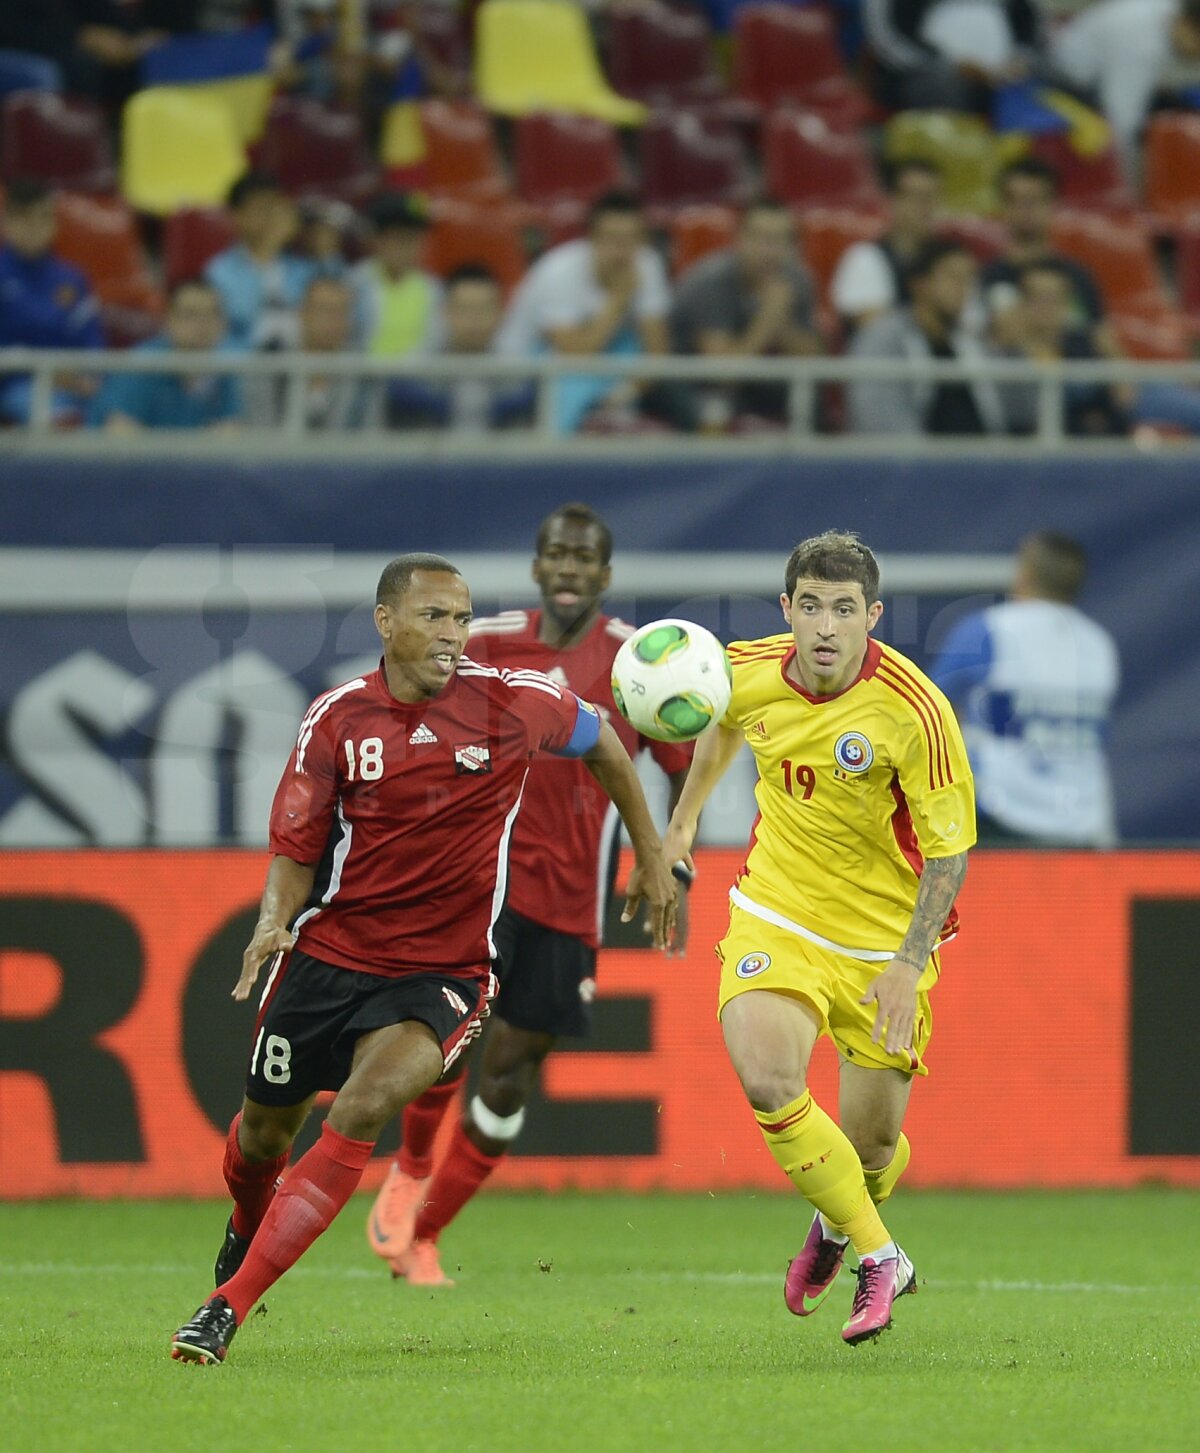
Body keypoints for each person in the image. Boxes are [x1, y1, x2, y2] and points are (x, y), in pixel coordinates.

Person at [169, 553, 676, 1365]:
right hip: (331, 956)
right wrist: (274, 918)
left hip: (446, 972)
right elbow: (298, 844)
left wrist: (649, 852)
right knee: (263, 1135)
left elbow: (605, 739)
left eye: (462, 618)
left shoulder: (514, 701)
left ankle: (225, 1306)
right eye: (435, 617)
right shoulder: (336, 718)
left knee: (363, 1106)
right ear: (386, 621)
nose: (452, 634)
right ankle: (243, 1223)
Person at [366, 505, 693, 1287]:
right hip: (478, 883)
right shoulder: (481, 642)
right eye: (557, 554)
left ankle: (426, 1233)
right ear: (539, 566)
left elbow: (682, 767)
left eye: (586, 558)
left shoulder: (636, 663)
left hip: (572, 903)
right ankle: (411, 1165)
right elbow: (404, 714)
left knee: (509, 1072)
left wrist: (670, 859)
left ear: (605, 576)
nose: (570, 568)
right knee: (444, 1037)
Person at [663, 530, 975, 1346]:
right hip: (780, 910)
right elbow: (723, 719)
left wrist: (909, 965)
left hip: (885, 946)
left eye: (845, 609)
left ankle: (840, 1223)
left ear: (872, 615)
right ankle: (880, 1255)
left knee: (870, 1148)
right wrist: (685, 820)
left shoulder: (916, 710)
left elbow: (949, 851)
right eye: (811, 606)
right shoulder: (747, 667)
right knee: (769, 1076)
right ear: (787, 610)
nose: (826, 626)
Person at [928, 532, 1119, 846]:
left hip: (999, 817)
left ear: (1025, 575)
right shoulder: (1099, 644)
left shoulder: (989, 631)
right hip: (1082, 821)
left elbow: (924, 709)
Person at [496, 190, 694, 434]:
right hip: (528, 367)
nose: (622, 251)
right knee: (572, 381)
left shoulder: (646, 263)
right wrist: (618, 300)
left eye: (631, 239)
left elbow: (657, 352)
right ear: (592, 238)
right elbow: (575, 354)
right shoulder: (558, 271)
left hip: (603, 359)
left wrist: (624, 393)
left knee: (676, 392)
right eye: (612, 238)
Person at [669, 197, 822, 428]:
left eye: (779, 240)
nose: (769, 251)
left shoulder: (796, 279)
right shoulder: (711, 282)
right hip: (691, 381)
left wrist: (782, 325)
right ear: (739, 239)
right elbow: (721, 375)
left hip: (753, 379)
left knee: (812, 402)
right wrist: (768, 318)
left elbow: (816, 363)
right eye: (761, 238)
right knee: (713, 411)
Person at [848, 238, 1011, 437]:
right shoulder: (881, 339)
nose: (963, 289)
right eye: (953, 277)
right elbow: (880, 423)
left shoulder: (973, 344)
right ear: (920, 285)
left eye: (968, 279)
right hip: (917, 465)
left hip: (986, 463)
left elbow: (1010, 416)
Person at [0, 177, 104, 427]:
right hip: (16, 386)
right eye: (25, 218)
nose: (35, 227)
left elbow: (91, 341)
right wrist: (45, 374)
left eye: (43, 218)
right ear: (7, 223)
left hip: (76, 384)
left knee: (117, 411)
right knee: (53, 417)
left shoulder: (73, 279)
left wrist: (88, 377)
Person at [1050, 0, 1200, 171]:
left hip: (1099, 75)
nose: (1197, 56)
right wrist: (1128, 185)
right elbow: (1121, 119)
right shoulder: (1140, 44)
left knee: (1180, 105)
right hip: (1065, 87)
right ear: (1185, 24)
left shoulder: (1168, 9)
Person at [387, 263, 533, 430]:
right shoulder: (414, 371)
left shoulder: (520, 375)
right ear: (446, 312)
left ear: (500, 314)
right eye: (465, 309)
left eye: (484, 309)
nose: (475, 319)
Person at [90, 278, 241, 432]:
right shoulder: (142, 366)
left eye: (213, 313)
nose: (204, 323)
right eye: (191, 314)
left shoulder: (222, 370)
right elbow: (119, 436)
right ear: (169, 320)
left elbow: (230, 432)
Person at [1002, 261, 1129, 437]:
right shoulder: (1003, 358)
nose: (1045, 307)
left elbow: (1113, 410)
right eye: (1037, 298)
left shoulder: (1086, 349)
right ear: (1021, 303)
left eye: (1054, 298)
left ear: (1067, 304)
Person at [244, 275, 383, 431]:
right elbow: (261, 429)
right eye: (324, 310)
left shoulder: (363, 373)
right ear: (302, 312)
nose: (333, 320)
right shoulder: (271, 363)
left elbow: (370, 435)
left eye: (342, 312)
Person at [863, 0, 1042, 114]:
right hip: (924, 72)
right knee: (941, 87)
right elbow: (889, 37)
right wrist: (950, 65)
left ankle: (1025, 168)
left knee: (1047, 87)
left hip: (1003, 71)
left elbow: (1029, 26)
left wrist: (1021, 58)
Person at [830, 160, 944, 339]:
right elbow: (870, 326)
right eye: (917, 197)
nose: (926, 207)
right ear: (893, 201)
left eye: (932, 197)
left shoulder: (949, 261)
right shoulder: (865, 258)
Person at [204, 171, 316, 351]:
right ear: (237, 215)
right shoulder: (219, 271)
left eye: (274, 207)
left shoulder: (304, 269)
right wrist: (268, 248)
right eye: (261, 208)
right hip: (241, 370)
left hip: (299, 370)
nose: (270, 217)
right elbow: (240, 319)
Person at [351, 191, 444, 361]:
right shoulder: (355, 283)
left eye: (413, 239)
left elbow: (435, 343)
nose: (406, 248)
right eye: (398, 238)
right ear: (377, 239)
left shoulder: (433, 288)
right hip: (364, 379)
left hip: (416, 380)